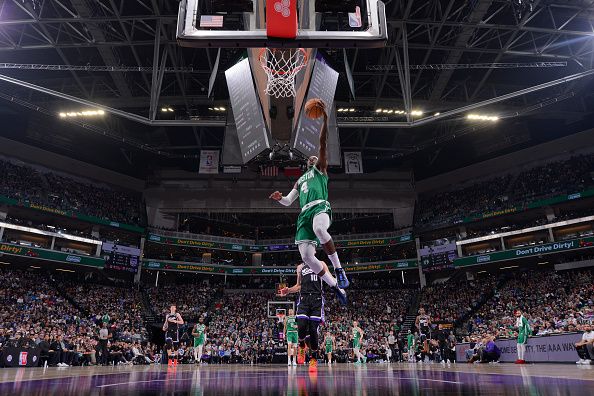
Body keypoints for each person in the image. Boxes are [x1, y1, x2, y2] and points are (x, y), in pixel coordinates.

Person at [269, 99, 348, 304]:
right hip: (304, 214)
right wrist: (280, 199)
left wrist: (325, 119)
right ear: (307, 163)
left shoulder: (320, 170)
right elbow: (288, 201)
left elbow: (322, 144)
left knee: (321, 230)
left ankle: (339, 270)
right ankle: (336, 286)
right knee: (306, 257)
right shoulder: (300, 179)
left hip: (320, 206)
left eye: (316, 157)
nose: (313, 158)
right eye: (310, 158)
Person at [279, 261, 331, 372]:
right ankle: (302, 345)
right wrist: (288, 290)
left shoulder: (321, 263)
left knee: (313, 330)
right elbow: (298, 286)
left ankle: (313, 359)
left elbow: (330, 278)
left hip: (317, 299)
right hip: (304, 299)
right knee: (301, 324)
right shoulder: (300, 267)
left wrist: (337, 285)